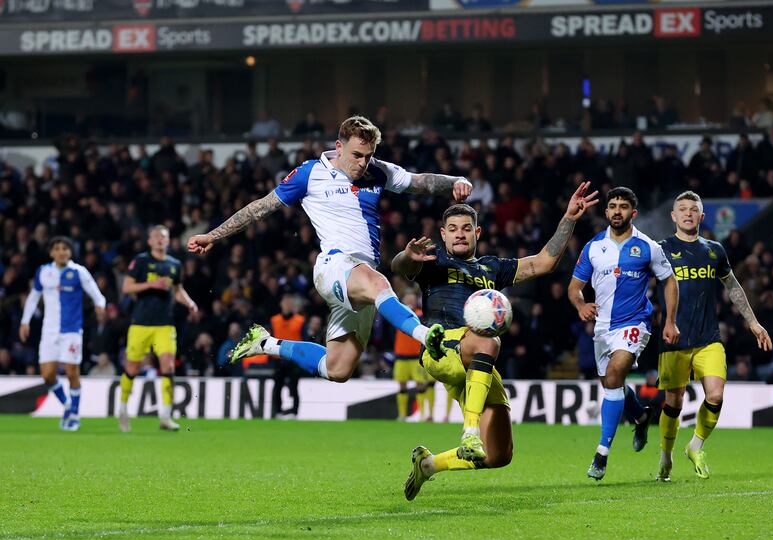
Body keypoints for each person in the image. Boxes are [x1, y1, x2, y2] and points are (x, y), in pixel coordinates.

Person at [188, 116, 473, 385]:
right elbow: (260, 208)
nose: (362, 163)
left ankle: (265, 343)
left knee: (337, 369)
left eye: (368, 156)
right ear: (339, 146)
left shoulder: (378, 171)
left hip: (361, 278)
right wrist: (213, 235)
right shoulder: (310, 173)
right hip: (334, 266)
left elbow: (420, 181)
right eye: (356, 155)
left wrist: (456, 181)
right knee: (379, 284)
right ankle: (429, 336)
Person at [398, 182, 598, 501]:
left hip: (476, 362)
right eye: (452, 229)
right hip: (441, 348)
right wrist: (407, 256)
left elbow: (542, 263)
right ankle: (470, 432)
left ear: (478, 232)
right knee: (489, 342)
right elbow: (400, 267)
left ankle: (429, 465)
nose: (459, 233)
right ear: (443, 233)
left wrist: (568, 219)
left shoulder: (492, 267)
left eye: (466, 228)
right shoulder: (432, 263)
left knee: (497, 456)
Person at [655, 191, 772, 481]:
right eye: (681, 209)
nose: (687, 213)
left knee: (716, 395)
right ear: (673, 216)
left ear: (702, 216)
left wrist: (753, 322)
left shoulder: (714, 250)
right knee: (674, 403)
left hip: (709, 338)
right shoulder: (661, 249)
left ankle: (695, 446)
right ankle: (666, 458)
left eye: (693, 209)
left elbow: (732, 286)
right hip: (675, 340)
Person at [568, 186, 680, 481]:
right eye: (613, 206)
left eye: (623, 206)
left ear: (634, 212)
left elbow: (669, 282)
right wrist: (580, 304)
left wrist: (670, 321)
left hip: (635, 323)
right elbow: (574, 288)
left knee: (617, 372)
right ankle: (641, 416)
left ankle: (601, 453)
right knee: (611, 384)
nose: (617, 211)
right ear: (606, 212)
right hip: (603, 326)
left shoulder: (647, 246)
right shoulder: (593, 247)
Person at [19, 236, 106, 431]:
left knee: (71, 371)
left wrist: (101, 306)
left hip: (72, 330)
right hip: (49, 331)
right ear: (51, 253)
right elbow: (33, 298)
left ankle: (74, 413)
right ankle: (68, 403)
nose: (61, 252)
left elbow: (96, 293)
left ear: (70, 252)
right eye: (57, 248)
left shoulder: (78, 272)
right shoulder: (44, 272)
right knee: (48, 375)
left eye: (65, 248)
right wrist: (25, 321)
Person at [118, 225, 198, 432]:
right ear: (149, 241)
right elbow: (127, 287)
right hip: (141, 323)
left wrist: (189, 303)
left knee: (168, 366)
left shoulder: (174, 265)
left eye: (164, 237)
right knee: (133, 368)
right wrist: (150, 285)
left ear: (168, 241)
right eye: (156, 237)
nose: (160, 240)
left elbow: (178, 291)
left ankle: (166, 415)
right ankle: (123, 409)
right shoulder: (141, 261)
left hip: (165, 324)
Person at [392, 290, 434, 421]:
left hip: (416, 357)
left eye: (412, 299)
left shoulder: (420, 316)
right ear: (402, 300)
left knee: (420, 385)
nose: (410, 301)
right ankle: (402, 415)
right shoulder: (397, 314)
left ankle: (422, 415)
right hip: (401, 356)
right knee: (402, 385)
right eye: (407, 298)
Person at [270, 294, 305, 419]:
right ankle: (278, 411)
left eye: (290, 303)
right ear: (281, 304)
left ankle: (294, 412)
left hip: (294, 359)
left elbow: (304, 340)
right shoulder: (274, 320)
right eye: (286, 302)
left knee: (294, 387)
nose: (287, 305)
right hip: (278, 358)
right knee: (277, 387)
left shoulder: (300, 321)